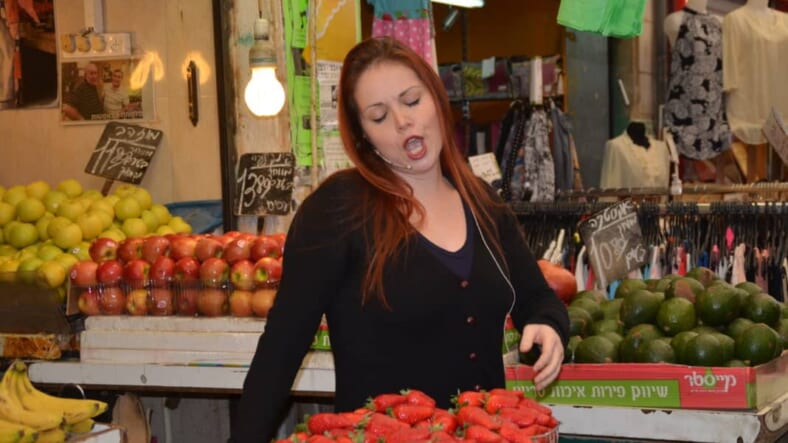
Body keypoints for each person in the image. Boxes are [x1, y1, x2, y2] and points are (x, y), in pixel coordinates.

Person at [231, 36, 569, 443]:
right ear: (362, 138)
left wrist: (548, 327)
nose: (403, 122)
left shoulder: (482, 202)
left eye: (411, 101)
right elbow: (281, 349)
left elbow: (538, 298)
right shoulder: (338, 210)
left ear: (435, 98)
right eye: (379, 116)